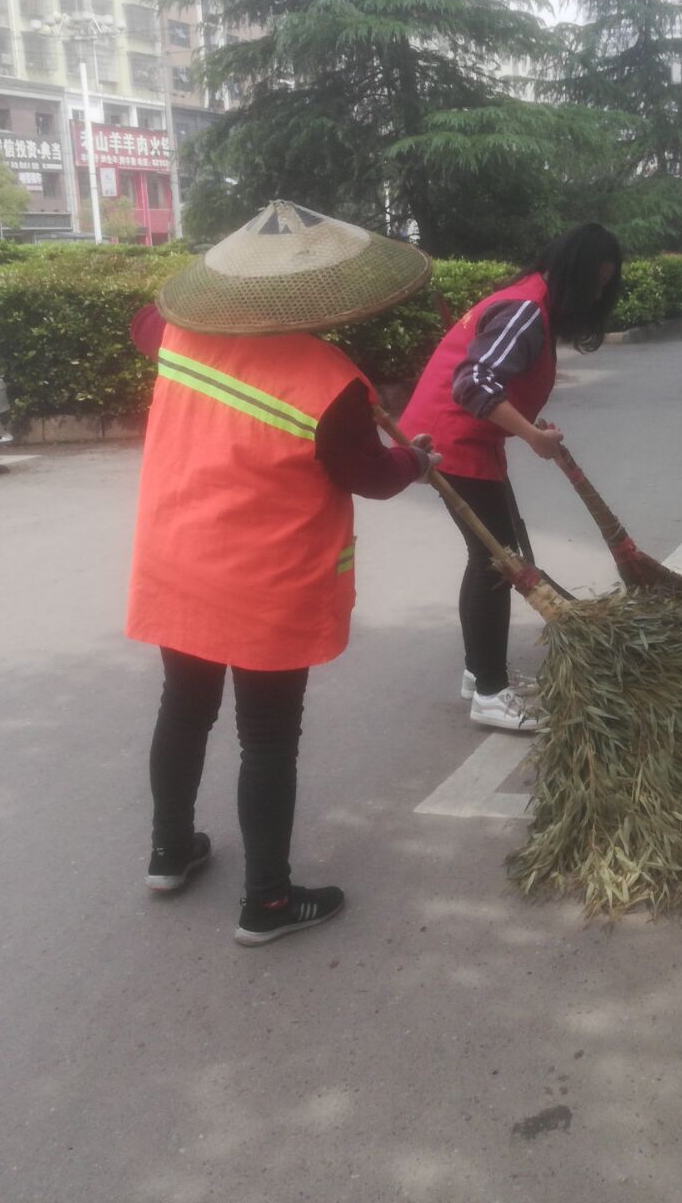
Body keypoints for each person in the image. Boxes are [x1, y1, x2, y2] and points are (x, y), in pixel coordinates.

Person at [127, 201, 439, 945]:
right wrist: (417, 461)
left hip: (180, 560)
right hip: (264, 583)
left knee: (184, 707)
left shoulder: (175, 332)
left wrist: (203, 295)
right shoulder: (332, 384)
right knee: (267, 737)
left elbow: (149, 317)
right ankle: (266, 901)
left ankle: (170, 852)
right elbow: (372, 477)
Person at [399, 223, 624, 733]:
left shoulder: (532, 302)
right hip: (452, 440)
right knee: (497, 563)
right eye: (595, 283)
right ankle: (490, 693)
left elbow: (494, 381)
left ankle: (479, 673)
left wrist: (526, 425)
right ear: (573, 273)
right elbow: (472, 383)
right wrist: (532, 436)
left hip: (465, 440)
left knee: (492, 557)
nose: (596, 296)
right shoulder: (526, 309)